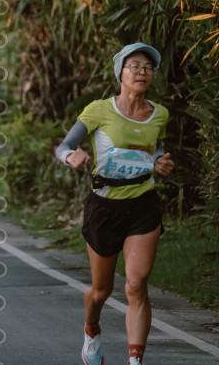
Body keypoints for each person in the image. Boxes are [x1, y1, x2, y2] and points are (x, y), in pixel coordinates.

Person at [54, 43, 175, 365]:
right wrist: (70, 156)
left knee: (136, 284)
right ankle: (92, 328)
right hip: (104, 207)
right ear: (120, 73)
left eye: (147, 68)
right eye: (134, 66)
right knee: (101, 291)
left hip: (143, 204)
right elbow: (64, 145)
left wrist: (161, 160)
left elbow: (156, 146)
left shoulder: (159, 113)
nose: (141, 72)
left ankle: (135, 360)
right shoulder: (98, 109)